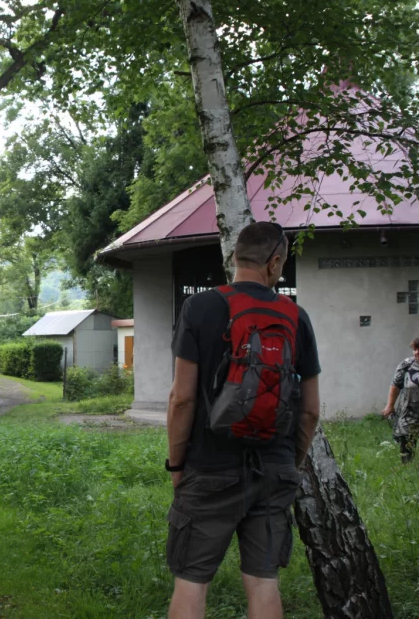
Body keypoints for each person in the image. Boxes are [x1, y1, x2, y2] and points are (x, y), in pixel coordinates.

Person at [165, 223, 320, 619]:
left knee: (192, 580)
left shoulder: (199, 308)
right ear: (275, 262)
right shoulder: (296, 316)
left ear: (235, 256)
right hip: (274, 469)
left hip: (208, 466)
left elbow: (182, 398)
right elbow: (310, 410)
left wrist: (177, 466)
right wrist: (289, 463)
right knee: (264, 581)